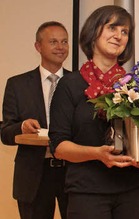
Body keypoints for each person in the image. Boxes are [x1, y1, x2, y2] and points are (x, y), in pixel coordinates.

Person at [49, 5, 139, 219]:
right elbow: (58, 146)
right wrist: (97, 154)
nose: (119, 36)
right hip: (87, 192)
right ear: (93, 32)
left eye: (125, 32)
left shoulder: (135, 85)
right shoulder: (70, 84)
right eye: (112, 28)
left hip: (132, 191)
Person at [1, 21, 70, 219]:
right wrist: (22, 127)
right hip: (33, 174)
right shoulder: (17, 84)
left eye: (64, 41)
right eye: (53, 42)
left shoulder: (78, 83)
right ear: (38, 47)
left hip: (72, 173)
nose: (60, 47)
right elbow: (5, 133)